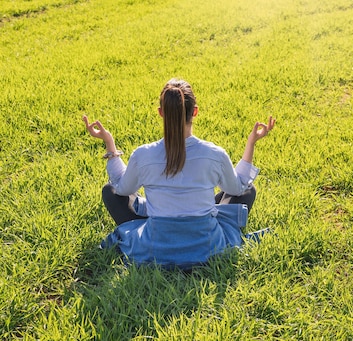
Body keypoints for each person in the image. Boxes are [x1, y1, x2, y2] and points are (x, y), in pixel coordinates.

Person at [82, 78, 276, 268]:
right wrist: (251, 143)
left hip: (156, 245)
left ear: (160, 113)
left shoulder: (143, 154)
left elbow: (122, 189)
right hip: (207, 245)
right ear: (195, 112)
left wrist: (110, 144)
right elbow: (237, 187)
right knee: (247, 191)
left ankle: (161, 227)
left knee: (111, 191)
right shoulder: (214, 154)